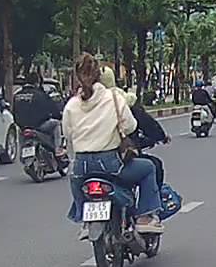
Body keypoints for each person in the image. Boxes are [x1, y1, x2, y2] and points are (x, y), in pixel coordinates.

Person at [63, 54, 164, 237]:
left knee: (76, 180)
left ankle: (85, 220)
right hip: (110, 164)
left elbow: (68, 134)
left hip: (81, 167)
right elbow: (130, 126)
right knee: (149, 168)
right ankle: (144, 217)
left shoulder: (71, 105)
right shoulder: (114, 98)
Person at [11, 72, 65, 159]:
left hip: (22, 127)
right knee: (56, 124)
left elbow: (14, 111)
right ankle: (58, 149)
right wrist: (58, 115)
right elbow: (53, 109)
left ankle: (22, 154)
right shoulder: (40, 95)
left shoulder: (17, 95)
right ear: (37, 82)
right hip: (39, 126)